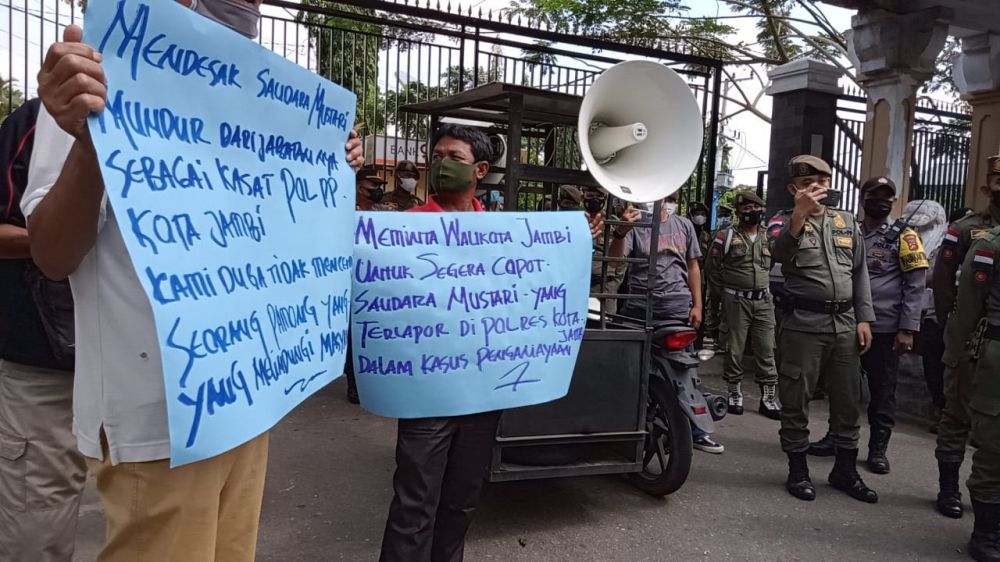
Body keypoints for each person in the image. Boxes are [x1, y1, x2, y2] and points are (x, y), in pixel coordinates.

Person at [20, 4, 366, 560]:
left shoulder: (260, 96)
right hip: (160, 424)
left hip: (247, 396)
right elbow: (52, 253)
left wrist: (328, 161)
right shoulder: (101, 73)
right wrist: (89, 142)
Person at [0, 98, 86, 562]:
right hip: (47, 366)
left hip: (156, 369)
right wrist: (61, 233)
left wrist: (331, 159)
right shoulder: (36, 122)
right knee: (38, 531)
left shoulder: (197, 123)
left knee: (156, 525)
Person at [772, 155, 877, 503]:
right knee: (796, 397)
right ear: (793, 189)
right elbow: (779, 255)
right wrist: (799, 216)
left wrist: (864, 317)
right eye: (806, 184)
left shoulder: (846, 222)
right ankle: (798, 468)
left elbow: (859, 272)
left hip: (845, 324)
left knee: (849, 398)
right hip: (803, 324)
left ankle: (844, 469)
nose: (815, 188)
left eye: (821, 182)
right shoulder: (782, 223)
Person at [818, 177, 927, 474]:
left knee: (882, 392)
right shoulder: (847, 229)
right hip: (845, 324)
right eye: (873, 194)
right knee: (842, 388)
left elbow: (915, 285)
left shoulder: (905, 236)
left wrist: (908, 328)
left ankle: (878, 450)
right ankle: (836, 438)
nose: (879, 200)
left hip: (885, 328)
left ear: (893, 200)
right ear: (863, 197)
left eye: (886, 196)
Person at [608, 194, 724, 454]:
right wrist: (619, 232)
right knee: (630, 373)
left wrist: (698, 305)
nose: (665, 200)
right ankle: (624, 428)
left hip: (677, 309)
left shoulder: (683, 225)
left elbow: (693, 266)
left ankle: (697, 431)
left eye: (670, 196)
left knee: (686, 375)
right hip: (639, 309)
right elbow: (615, 261)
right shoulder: (634, 224)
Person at [933, 155, 1000, 519]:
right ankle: (948, 489)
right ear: (986, 185)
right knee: (956, 413)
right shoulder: (966, 228)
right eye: (997, 179)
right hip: (971, 337)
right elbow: (943, 281)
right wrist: (953, 329)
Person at [944, 225, 1000, 561]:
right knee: (995, 445)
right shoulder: (989, 245)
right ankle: (986, 533)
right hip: (997, 354)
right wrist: (956, 357)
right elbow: (966, 309)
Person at [704, 191, 780, 419]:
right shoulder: (725, 236)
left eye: (754, 209)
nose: (751, 213)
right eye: (745, 210)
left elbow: (772, 263)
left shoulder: (769, 238)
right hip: (736, 300)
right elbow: (712, 269)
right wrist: (724, 295)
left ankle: (768, 397)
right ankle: (734, 393)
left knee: (767, 349)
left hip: (764, 301)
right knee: (734, 350)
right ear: (738, 213)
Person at [904, 199, 949, 432]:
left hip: (936, 312)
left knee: (937, 360)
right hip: (905, 306)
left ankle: (942, 407)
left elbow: (932, 273)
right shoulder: (904, 234)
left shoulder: (946, 241)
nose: (920, 231)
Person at [584, 185, 626, 315]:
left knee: (603, 328)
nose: (594, 199)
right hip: (576, 285)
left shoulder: (613, 223)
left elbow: (621, 262)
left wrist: (613, 285)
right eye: (590, 196)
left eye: (599, 196)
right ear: (583, 195)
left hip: (604, 288)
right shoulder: (574, 220)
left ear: (605, 198)